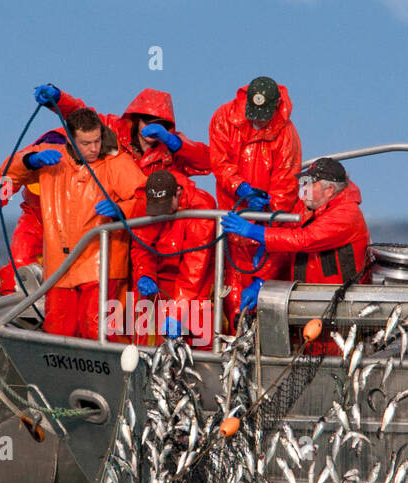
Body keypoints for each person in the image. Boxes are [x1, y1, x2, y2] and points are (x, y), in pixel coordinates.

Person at [4, 107, 147, 340]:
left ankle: (115, 375)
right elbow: (9, 172)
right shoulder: (52, 158)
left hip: (102, 267)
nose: (94, 148)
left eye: (97, 140)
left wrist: (122, 209)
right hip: (61, 268)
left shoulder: (116, 162)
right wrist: (30, 160)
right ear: (70, 140)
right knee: (58, 331)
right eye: (86, 143)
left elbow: (145, 198)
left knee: (99, 331)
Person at [222, 157, 370, 319]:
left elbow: (303, 240)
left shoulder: (346, 214)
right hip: (310, 299)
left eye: (310, 184)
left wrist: (253, 231)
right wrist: (261, 281)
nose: (303, 189)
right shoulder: (309, 206)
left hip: (342, 303)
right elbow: (286, 242)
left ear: (329, 190)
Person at [208, 75, 302, 322]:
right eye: (254, 113)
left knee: (267, 308)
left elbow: (286, 186)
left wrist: (270, 222)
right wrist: (242, 189)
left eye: (263, 114)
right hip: (232, 226)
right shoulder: (224, 118)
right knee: (230, 299)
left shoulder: (287, 135)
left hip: (265, 235)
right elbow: (219, 162)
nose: (258, 119)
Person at [33, 84, 211, 178]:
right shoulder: (113, 129)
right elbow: (80, 114)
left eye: (162, 123)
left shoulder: (174, 147)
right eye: (147, 120)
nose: (153, 127)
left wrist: (173, 142)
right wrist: (57, 98)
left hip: (157, 228)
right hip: (117, 222)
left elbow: (209, 161)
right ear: (135, 118)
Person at [0, 129, 66, 294]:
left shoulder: (90, 157)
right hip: (34, 222)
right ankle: (11, 310)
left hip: (72, 226)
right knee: (16, 269)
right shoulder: (25, 165)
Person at [129, 169, 216, 346]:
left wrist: (176, 312)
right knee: (146, 330)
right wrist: (144, 273)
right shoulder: (146, 201)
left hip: (197, 281)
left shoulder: (202, 205)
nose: (160, 213)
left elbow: (195, 267)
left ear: (177, 192)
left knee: (200, 333)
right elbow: (140, 246)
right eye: (156, 208)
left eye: (165, 207)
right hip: (161, 278)